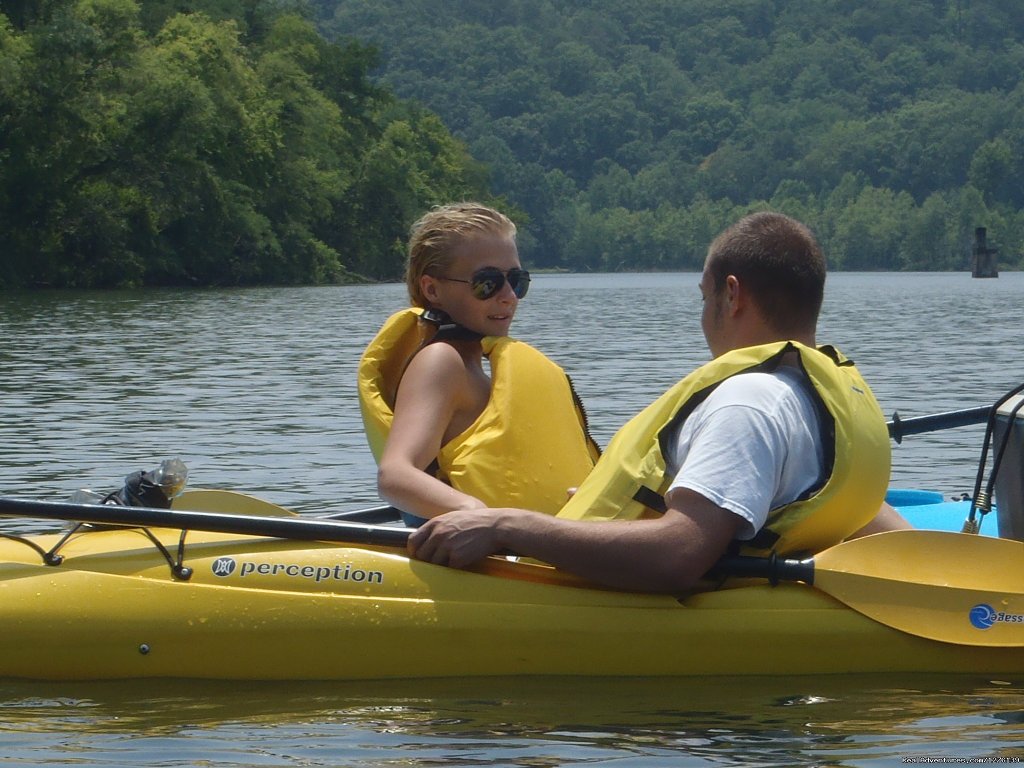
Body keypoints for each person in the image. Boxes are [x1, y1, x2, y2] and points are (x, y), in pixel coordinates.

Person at [408, 211, 908, 591]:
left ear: (730, 296)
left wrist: (507, 526)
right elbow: (862, 516)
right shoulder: (815, 395)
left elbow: (678, 554)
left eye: (703, 296)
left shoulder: (746, 402)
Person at [358, 202, 599, 524]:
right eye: (487, 282)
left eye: (517, 280)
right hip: (486, 554)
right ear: (432, 289)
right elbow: (396, 475)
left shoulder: (480, 370)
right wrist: (481, 518)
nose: (508, 295)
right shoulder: (441, 362)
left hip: (538, 545)